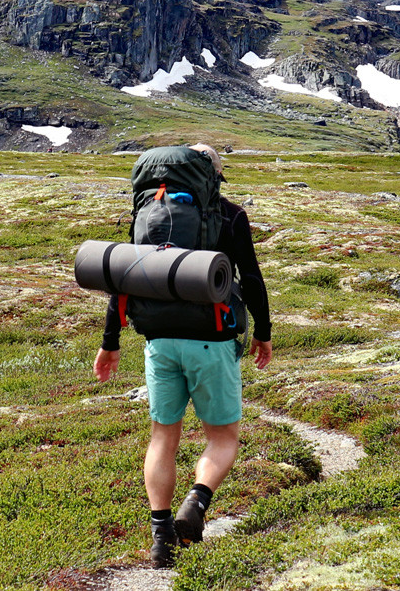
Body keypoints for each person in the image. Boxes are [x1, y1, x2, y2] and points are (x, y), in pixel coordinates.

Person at [93, 143, 273, 568]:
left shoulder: (147, 212)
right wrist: (262, 333)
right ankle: (196, 503)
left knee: (162, 438)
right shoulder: (228, 214)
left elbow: (125, 276)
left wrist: (110, 340)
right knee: (223, 438)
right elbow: (251, 278)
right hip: (211, 338)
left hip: (158, 340)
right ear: (212, 176)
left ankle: (160, 540)